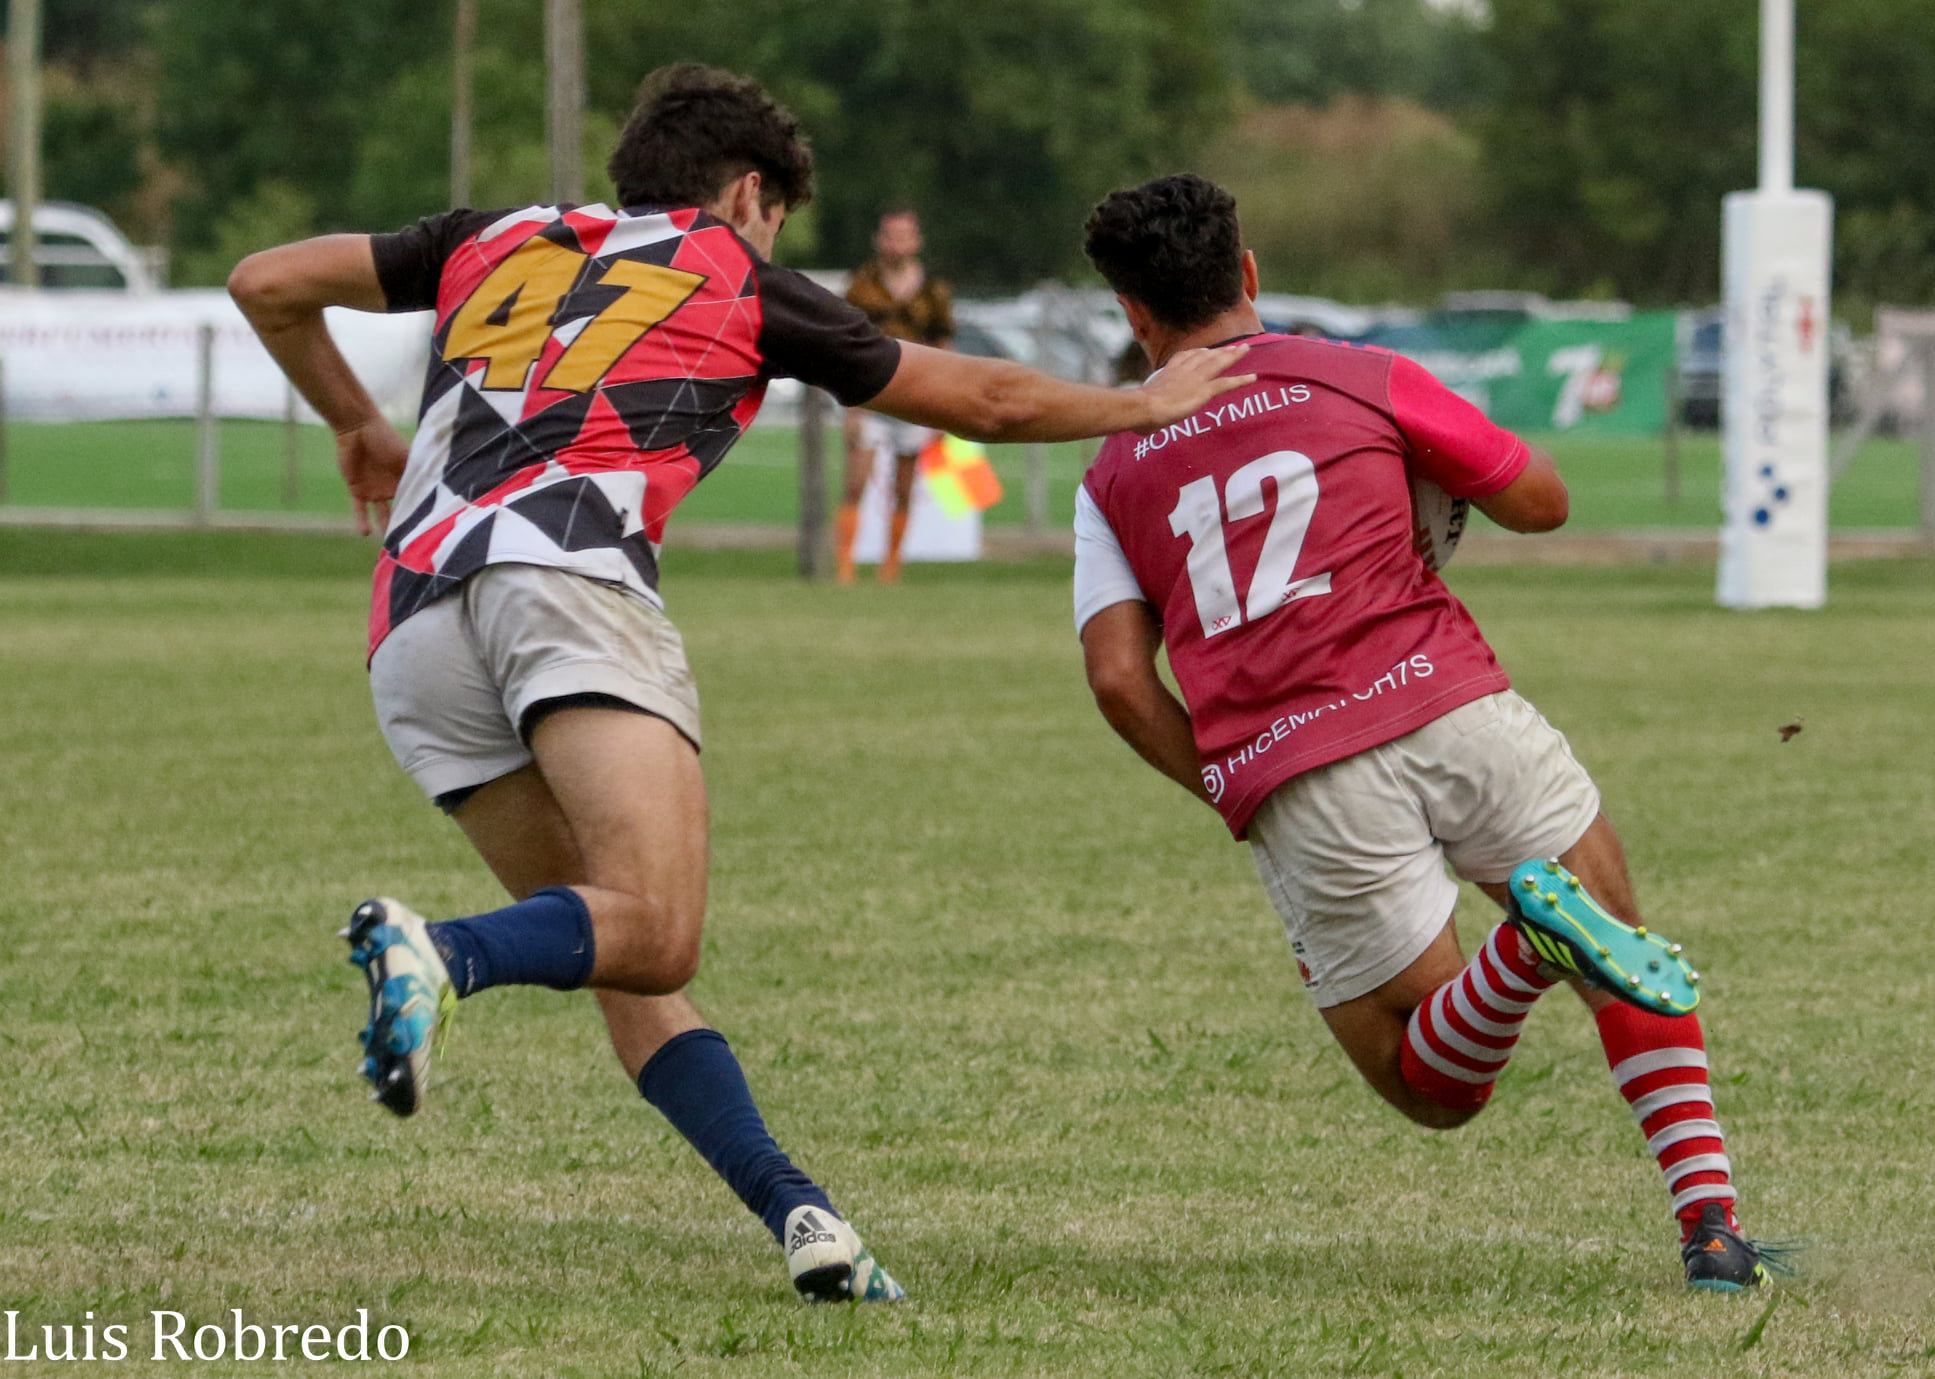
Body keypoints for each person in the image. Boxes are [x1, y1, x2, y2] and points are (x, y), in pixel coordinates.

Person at [227, 70, 1251, 1304]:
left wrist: (358, 422)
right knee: (656, 927)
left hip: (412, 617)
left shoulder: (484, 236)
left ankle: (800, 1213)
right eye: (776, 216)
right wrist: (1140, 402)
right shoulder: (735, 272)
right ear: (751, 193)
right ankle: (436, 952)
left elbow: (266, 284)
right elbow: (977, 398)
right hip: (562, 574)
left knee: (618, 949)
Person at [1071, 174, 1778, 1291]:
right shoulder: (1363, 376)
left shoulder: (1111, 464)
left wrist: (1227, 783)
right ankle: (1713, 1229)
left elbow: (1118, 679)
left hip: (1301, 772)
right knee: (1624, 947)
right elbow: (1540, 501)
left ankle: (1524, 947)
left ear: (1133, 317)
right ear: (1249, 275)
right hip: (1452, 701)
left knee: (1432, 1086)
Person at [835, 208, 953, 584]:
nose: (897, 244)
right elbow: (844, 343)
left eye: (905, 236)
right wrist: (849, 404)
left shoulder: (934, 290)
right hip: (870, 395)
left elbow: (943, 347)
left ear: (916, 240)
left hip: (915, 397)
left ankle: (890, 567)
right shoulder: (861, 283)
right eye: (890, 235)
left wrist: (941, 408)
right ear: (879, 240)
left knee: (904, 486)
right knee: (856, 480)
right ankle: (845, 567)